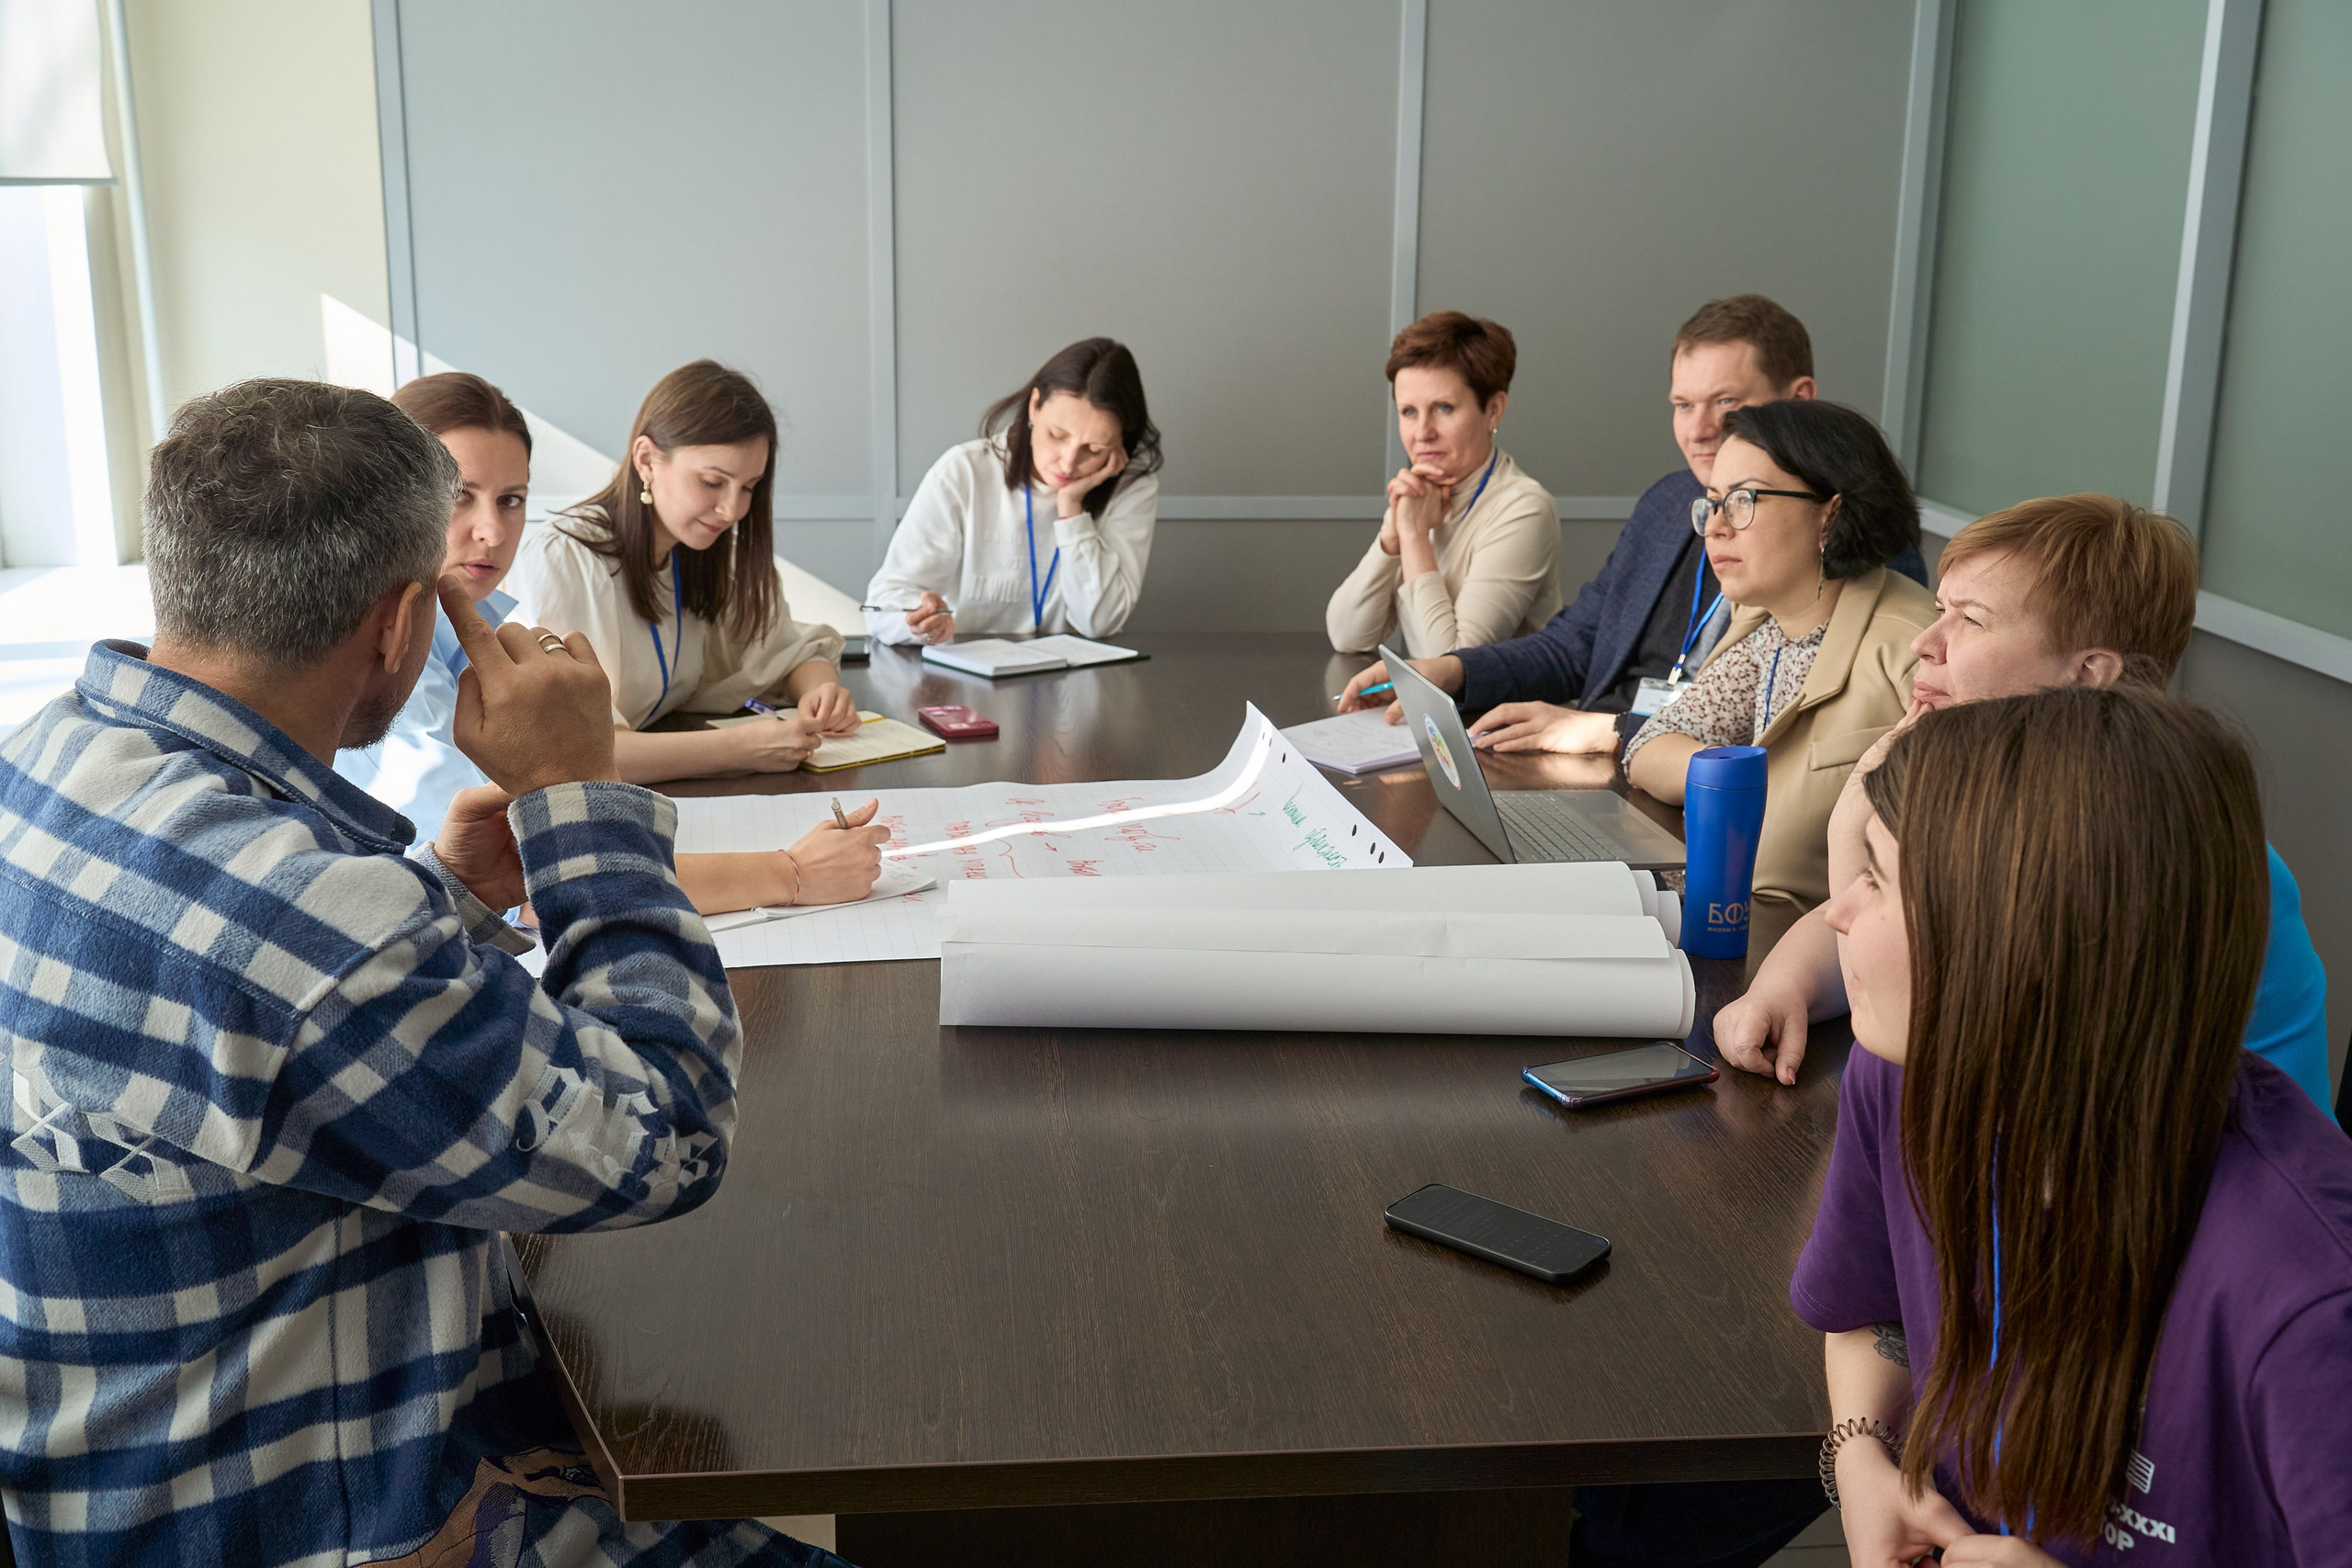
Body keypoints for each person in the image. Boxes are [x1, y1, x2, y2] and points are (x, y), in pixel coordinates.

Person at [0, 378, 881, 1564]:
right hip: (306, 1513)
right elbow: (669, 1133)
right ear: (402, 619)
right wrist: (581, 806)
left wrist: (453, 902)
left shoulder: (43, 762)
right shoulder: (309, 922)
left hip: (98, 1475)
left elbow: (271, 1035)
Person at [1797, 685, 2352, 1565]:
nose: (1837, 911)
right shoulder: (1902, 1075)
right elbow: (1871, 1307)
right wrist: (1862, 1450)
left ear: (2014, 942)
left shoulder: (2305, 1297)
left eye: (1876, 877)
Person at [1714, 494, 2330, 1107]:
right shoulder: (2008, 791)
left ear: (2088, 674)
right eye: (1939, 610)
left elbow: (1914, 1027)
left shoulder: (2130, 841)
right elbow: (1878, 924)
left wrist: (1855, 810)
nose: (1925, 643)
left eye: (1972, 620)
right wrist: (1783, 985)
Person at [340, 371, 888, 915]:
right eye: (460, 496)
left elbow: (541, 840)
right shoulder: (384, 651)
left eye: (511, 500)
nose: (492, 531)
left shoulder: (469, 625)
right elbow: (528, 878)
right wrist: (790, 873)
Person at [1336, 293, 1928, 748]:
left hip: (1680, 781)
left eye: (1726, 404)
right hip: (1596, 750)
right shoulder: (1669, 504)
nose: (1699, 429)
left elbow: (1783, 725)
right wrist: (1453, 670)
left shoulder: (1850, 533)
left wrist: (1601, 730)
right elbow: (1575, 644)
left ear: (1798, 400)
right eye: (1682, 405)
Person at [1621, 399, 1934, 912]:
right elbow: (1649, 749)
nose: (1717, 527)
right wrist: (1730, 781)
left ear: (1830, 515)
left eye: (1744, 500)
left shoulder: (1917, 652)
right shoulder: (1767, 621)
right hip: (1739, 921)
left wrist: (1713, 781)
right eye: (1713, 503)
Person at [506, 360, 862, 786]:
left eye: (749, 487)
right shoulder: (564, 561)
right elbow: (576, 751)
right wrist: (738, 749)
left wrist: (819, 692)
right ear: (646, 460)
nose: (732, 510)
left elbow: (790, 649)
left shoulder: (699, 549)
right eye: (713, 482)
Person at [866, 336, 1161, 648]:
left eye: (1094, 449)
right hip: (963, 680)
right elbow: (883, 605)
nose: (1069, 461)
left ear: (1120, 443)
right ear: (1034, 407)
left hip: (1069, 681)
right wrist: (922, 623)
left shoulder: (1131, 487)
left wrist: (1071, 506)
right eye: (1057, 435)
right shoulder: (964, 471)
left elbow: (1099, 621)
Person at [1325, 310, 1560, 655]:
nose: (1422, 433)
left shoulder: (1525, 509)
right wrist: (1391, 541)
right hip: (1438, 709)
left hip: (1509, 708)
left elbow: (1449, 662)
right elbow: (1347, 636)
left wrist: (1413, 535)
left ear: (1493, 409)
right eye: (1409, 412)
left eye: (1444, 408)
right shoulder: (1419, 495)